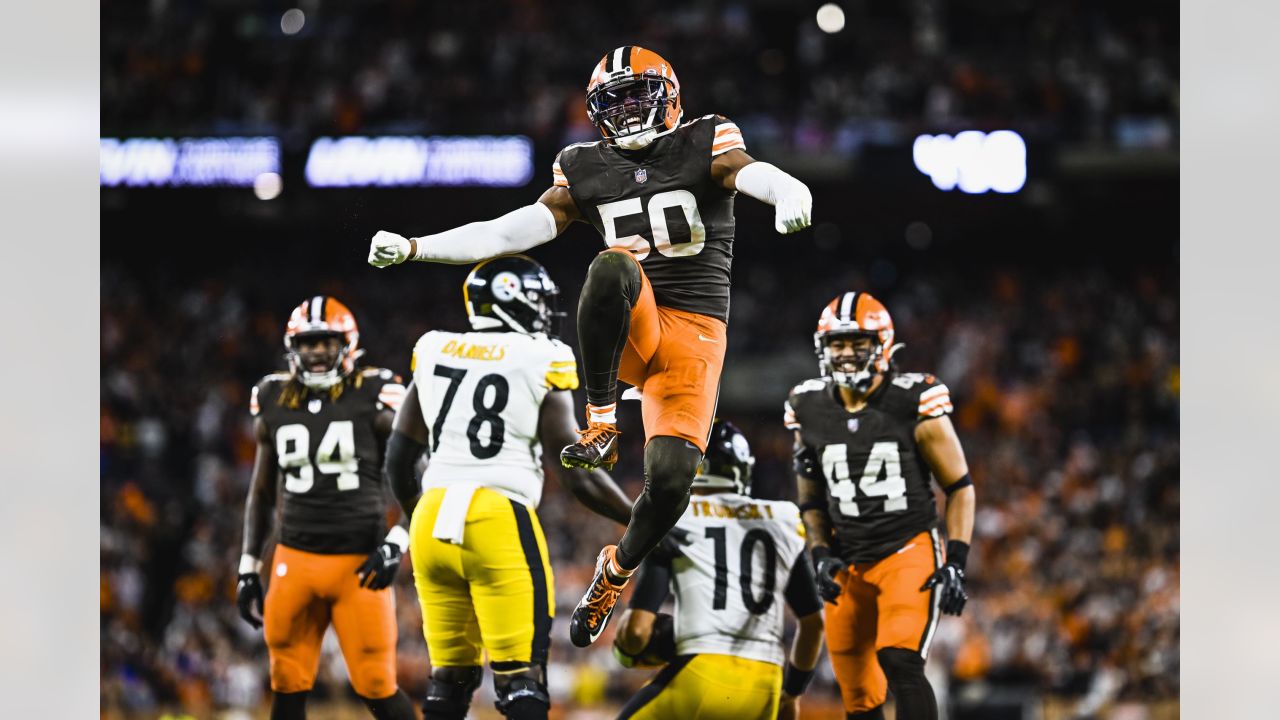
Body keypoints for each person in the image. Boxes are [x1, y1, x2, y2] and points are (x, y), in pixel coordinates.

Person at [367, 46, 814, 648]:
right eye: (616, 100)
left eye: (639, 95)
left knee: (672, 480)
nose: (628, 111)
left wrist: (786, 189)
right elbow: (508, 232)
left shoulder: (706, 137)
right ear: (596, 111)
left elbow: (748, 170)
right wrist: (419, 247)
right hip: (634, 322)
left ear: (671, 96)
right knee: (612, 266)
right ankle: (600, 421)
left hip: (697, 334)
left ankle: (616, 572)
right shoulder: (582, 165)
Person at [382, 256, 634, 720]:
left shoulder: (435, 348)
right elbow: (573, 468)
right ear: (512, 301)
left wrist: (424, 515)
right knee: (522, 682)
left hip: (431, 520)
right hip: (498, 514)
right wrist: (638, 520)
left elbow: (398, 463)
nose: (544, 312)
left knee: (448, 682)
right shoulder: (544, 356)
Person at [786, 292, 977, 720]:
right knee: (858, 695)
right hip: (845, 560)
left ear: (884, 345)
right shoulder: (807, 407)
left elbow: (960, 486)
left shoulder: (913, 401)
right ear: (823, 348)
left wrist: (957, 560)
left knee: (901, 660)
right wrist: (819, 554)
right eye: (838, 343)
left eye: (858, 342)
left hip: (906, 550)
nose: (847, 354)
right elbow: (811, 497)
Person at [236, 296, 417, 720]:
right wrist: (247, 566)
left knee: (378, 687)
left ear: (348, 344)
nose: (316, 352)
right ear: (291, 347)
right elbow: (261, 492)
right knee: (287, 684)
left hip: (359, 566)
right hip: (293, 562)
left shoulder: (376, 393)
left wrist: (397, 542)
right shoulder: (272, 396)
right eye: (308, 342)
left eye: (326, 342)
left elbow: (421, 476)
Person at [610, 419, 825, 720]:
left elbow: (636, 632)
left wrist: (629, 650)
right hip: (767, 685)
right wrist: (792, 693)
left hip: (700, 672)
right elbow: (813, 623)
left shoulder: (674, 519)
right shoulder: (783, 518)